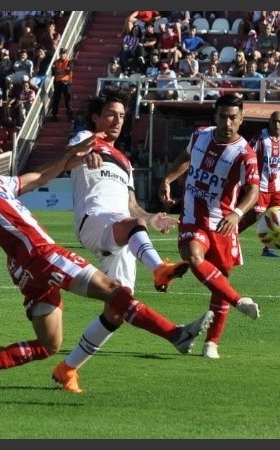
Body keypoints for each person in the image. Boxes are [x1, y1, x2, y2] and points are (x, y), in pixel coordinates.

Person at [0, 128, 213, 400]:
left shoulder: (0, 184)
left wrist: (72, 159)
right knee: (115, 292)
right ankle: (176, 335)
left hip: (25, 269)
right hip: (42, 254)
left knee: (49, 345)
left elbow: (42, 175)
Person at [52, 85, 194, 393]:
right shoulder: (83, 139)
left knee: (119, 306)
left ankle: (68, 369)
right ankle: (160, 269)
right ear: (96, 117)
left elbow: (132, 208)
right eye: (110, 115)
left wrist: (151, 218)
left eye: (121, 116)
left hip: (122, 227)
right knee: (129, 226)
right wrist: (84, 156)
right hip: (95, 221)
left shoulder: (126, 163)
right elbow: (68, 158)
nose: (117, 121)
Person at [158, 94, 261, 360]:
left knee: (220, 283)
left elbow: (253, 190)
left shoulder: (245, 154)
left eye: (233, 118)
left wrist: (237, 214)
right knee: (193, 255)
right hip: (193, 214)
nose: (228, 122)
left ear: (241, 120)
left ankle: (211, 343)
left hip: (223, 223)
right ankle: (240, 301)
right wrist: (169, 178)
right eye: (223, 116)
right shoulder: (200, 135)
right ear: (214, 117)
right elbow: (186, 157)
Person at [239, 111, 280, 258]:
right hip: (261, 185)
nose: (276, 124)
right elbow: (247, 155)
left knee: (279, 218)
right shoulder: (260, 138)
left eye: (279, 122)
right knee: (255, 215)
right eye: (274, 121)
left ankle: (268, 248)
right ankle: (230, 236)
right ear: (269, 122)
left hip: (278, 187)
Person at [50, 47, 74, 122]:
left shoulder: (69, 61)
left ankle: (70, 117)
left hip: (66, 83)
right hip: (57, 82)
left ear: (66, 54)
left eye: (64, 53)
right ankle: (54, 115)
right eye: (61, 53)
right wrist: (62, 70)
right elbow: (53, 72)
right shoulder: (56, 62)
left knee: (68, 100)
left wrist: (59, 71)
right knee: (56, 99)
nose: (62, 55)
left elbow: (68, 70)